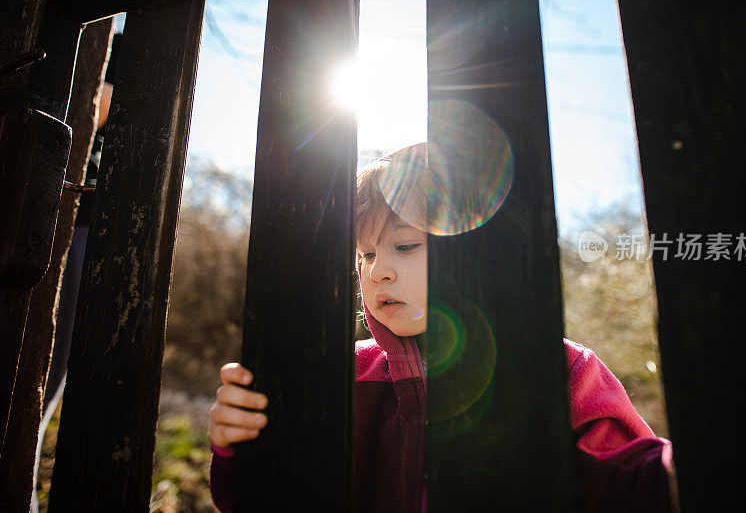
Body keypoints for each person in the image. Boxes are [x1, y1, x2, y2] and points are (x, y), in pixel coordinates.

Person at [208, 143, 675, 512]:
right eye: (366, 254)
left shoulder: (560, 369)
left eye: (405, 246)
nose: (377, 272)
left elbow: (628, 485)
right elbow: (276, 493)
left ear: (476, 253)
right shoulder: (345, 374)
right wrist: (239, 448)